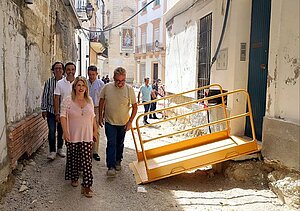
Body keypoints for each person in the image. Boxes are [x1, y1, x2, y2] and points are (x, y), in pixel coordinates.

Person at [60, 76, 98, 198]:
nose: (81, 88)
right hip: (73, 134)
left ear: (86, 88)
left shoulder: (90, 101)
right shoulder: (68, 100)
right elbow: (63, 117)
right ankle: (74, 177)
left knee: (87, 161)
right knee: (74, 158)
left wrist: (95, 131)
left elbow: (92, 117)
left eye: (83, 85)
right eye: (79, 85)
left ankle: (87, 186)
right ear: (74, 87)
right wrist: (65, 132)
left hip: (87, 136)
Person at [99, 67, 137, 177]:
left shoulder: (129, 89)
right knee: (111, 143)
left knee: (120, 143)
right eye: (118, 81)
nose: (120, 83)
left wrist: (130, 122)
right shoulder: (107, 88)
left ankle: (118, 160)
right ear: (113, 78)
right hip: (110, 121)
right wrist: (100, 116)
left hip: (123, 123)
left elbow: (135, 107)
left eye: (122, 81)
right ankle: (110, 166)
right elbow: (102, 100)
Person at [41, 62, 64, 160]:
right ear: (53, 70)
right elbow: (45, 95)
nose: (58, 70)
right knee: (51, 131)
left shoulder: (65, 82)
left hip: (62, 111)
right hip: (51, 110)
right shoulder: (49, 82)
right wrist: (44, 109)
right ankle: (52, 151)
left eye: (60, 68)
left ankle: (59, 148)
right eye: (56, 68)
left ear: (63, 70)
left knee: (61, 131)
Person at [53, 62, 76, 158]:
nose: (70, 72)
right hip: (64, 113)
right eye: (68, 70)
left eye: (72, 69)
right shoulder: (60, 83)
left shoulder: (78, 82)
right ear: (65, 71)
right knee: (62, 132)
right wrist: (57, 113)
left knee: (74, 133)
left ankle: (74, 153)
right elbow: (56, 98)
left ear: (75, 70)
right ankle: (60, 148)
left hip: (76, 114)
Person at [87, 65, 105, 161]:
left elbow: (103, 99)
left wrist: (103, 112)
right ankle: (87, 151)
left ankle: (95, 152)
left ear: (96, 74)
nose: (91, 76)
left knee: (96, 130)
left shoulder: (101, 84)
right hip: (86, 108)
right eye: (90, 74)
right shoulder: (85, 83)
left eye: (93, 74)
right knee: (86, 130)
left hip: (97, 108)